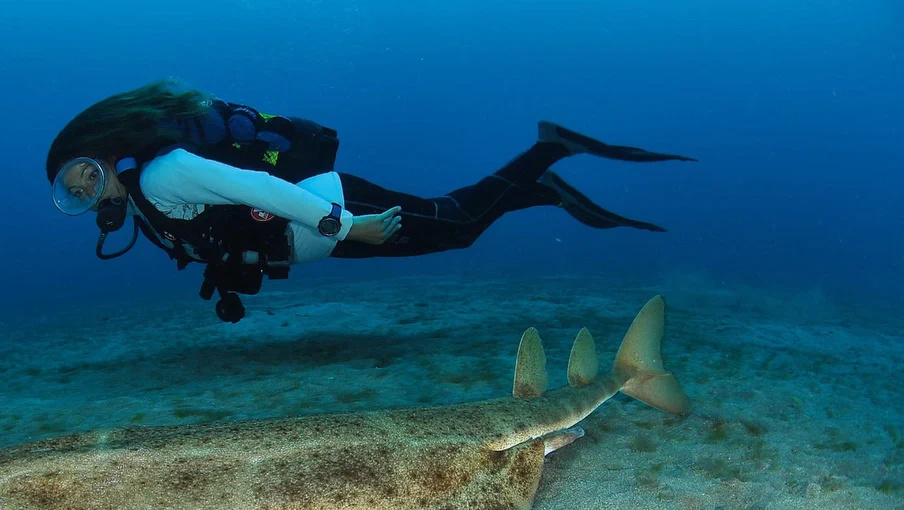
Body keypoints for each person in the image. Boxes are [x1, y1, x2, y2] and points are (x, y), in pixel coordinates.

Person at [46, 79, 695, 322]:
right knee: (455, 217)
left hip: (327, 212)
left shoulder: (161, 176)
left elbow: (258, 188)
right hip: (318, 233)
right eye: (73, 194)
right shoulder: (145, 201)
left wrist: (347, 225)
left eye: (83, 173)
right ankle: (543, 177)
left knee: (460, 223)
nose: (85, 191)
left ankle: (547, 155)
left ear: (102, 151)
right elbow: (221, 231)